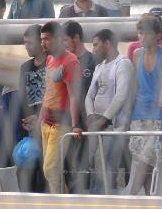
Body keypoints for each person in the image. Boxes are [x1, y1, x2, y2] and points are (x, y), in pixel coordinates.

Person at [129, 14, 162, 196]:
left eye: (146, 33)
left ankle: (131, 195)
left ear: (157, 35)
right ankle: (148, 200)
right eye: (139, 33)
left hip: (160, 115)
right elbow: (136, 86)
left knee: (147, 158)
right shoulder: (136, 54)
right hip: (139, 114)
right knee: (144, 162)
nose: (142, 37)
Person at [85, 28, 134, 193]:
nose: (93, 49)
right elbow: (89, 94)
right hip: (96, 124)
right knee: (93, 164)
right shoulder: (99, 66)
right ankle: (94, 197)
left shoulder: (123, 63)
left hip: (112, 126)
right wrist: (91, 114)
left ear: (107, 44)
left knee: (103, 163)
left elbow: (121, 94)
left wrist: (104, 119)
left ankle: (100, 198)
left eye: (96, 45)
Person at [38, 21, 83, 194]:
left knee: (50, 168)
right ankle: (60, 199)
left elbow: (74, 95)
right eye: (42, 39)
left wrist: (75, 124)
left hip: (60, 124)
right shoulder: (50, 59)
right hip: (46, 122)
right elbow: (49, 91)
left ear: (57, 39)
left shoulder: (70, 61)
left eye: (47, 39)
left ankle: (60, 201)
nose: (43, 43)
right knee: (49, 170)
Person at [62, 20, 97, 193]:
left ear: (76, 38)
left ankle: (83, 195)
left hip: (87, 120)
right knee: (66, 162)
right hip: (67, 120)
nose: (63, 45)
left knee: (84, 163)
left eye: (65, 41)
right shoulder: (64, 62)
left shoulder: (92, 60)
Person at [18, 24, 48, 192]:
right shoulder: (25, 67)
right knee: (26, 166)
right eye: (24, 43)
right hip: (31, 124)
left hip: (49, 121)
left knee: (45, 167)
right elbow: (22, 97)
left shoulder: (51, 62)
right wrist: (27, 119)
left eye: (30, 42)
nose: (26, 46)